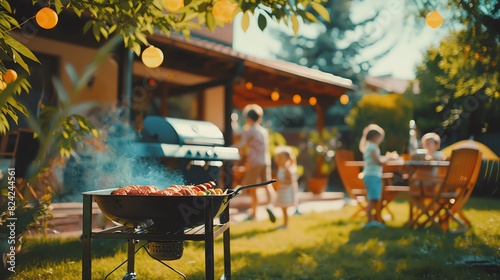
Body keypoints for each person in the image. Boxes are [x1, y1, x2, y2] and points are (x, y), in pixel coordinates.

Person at [233, 104, 276, 222]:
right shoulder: (263, 131)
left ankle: (254, 213)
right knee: (268, 186)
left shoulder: (249, 130)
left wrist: (231, 148)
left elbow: (242, 144)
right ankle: (271, 206)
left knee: (253, 188)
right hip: (265, 161)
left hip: (254, 162)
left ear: (248, 117)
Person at [359, 124, 387, 229]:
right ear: (375, 137)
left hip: (370, 175)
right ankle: (371, 222)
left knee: (373, 199)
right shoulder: (373, 147)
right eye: (380, 138)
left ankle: (374, 220)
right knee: (372, 200)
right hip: (373, 176)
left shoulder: (368, 147)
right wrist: (388, 159)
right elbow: (379, 161)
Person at [273, 146, 299, 229]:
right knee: (283, 209)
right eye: (277, 157)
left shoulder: (287, 169)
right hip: (282, 192)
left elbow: (290, 182)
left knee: (284, 209)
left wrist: (281, 182)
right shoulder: (281, 168)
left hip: (286, 193)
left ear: (287, 158)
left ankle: (285, 225)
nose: (278, 159)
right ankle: (284, 224)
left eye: (280, 158)